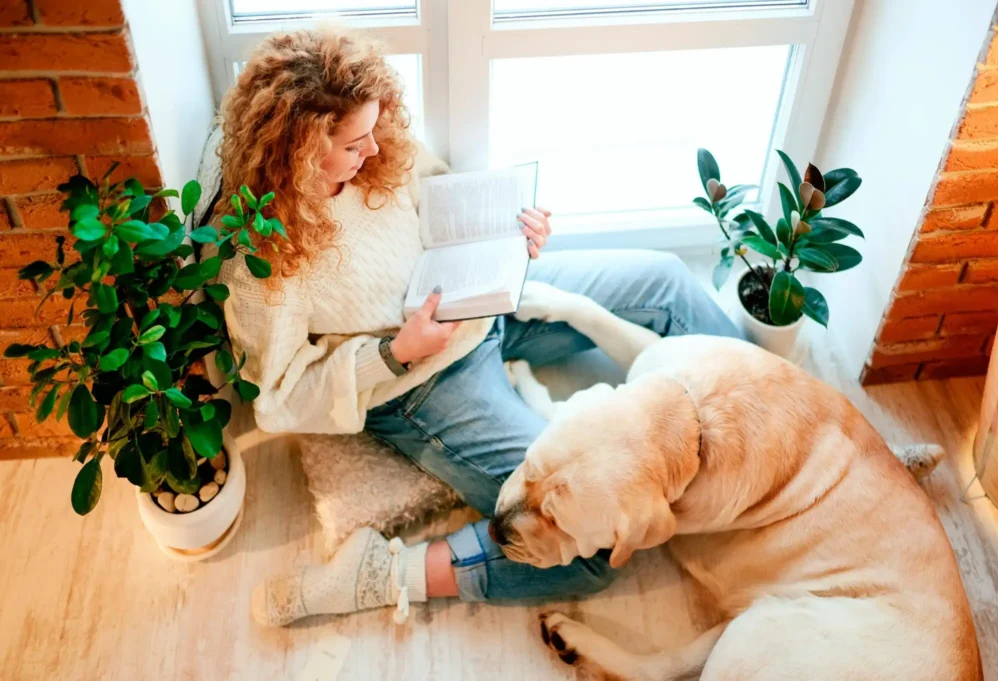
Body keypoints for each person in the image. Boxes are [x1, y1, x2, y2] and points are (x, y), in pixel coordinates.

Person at [215, 26, 741, 627]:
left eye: (374, 131)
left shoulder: (379, 146)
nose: (374, 152)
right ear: (302, 147)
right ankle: (386, 576)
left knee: (668, 282)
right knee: (589, 550)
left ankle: (759, 413)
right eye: (354, 144)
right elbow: (278, 400)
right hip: (424, 382)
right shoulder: (262, 260)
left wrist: (513, 239)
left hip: (488, 302)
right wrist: (394, 353)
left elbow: (442, 200)